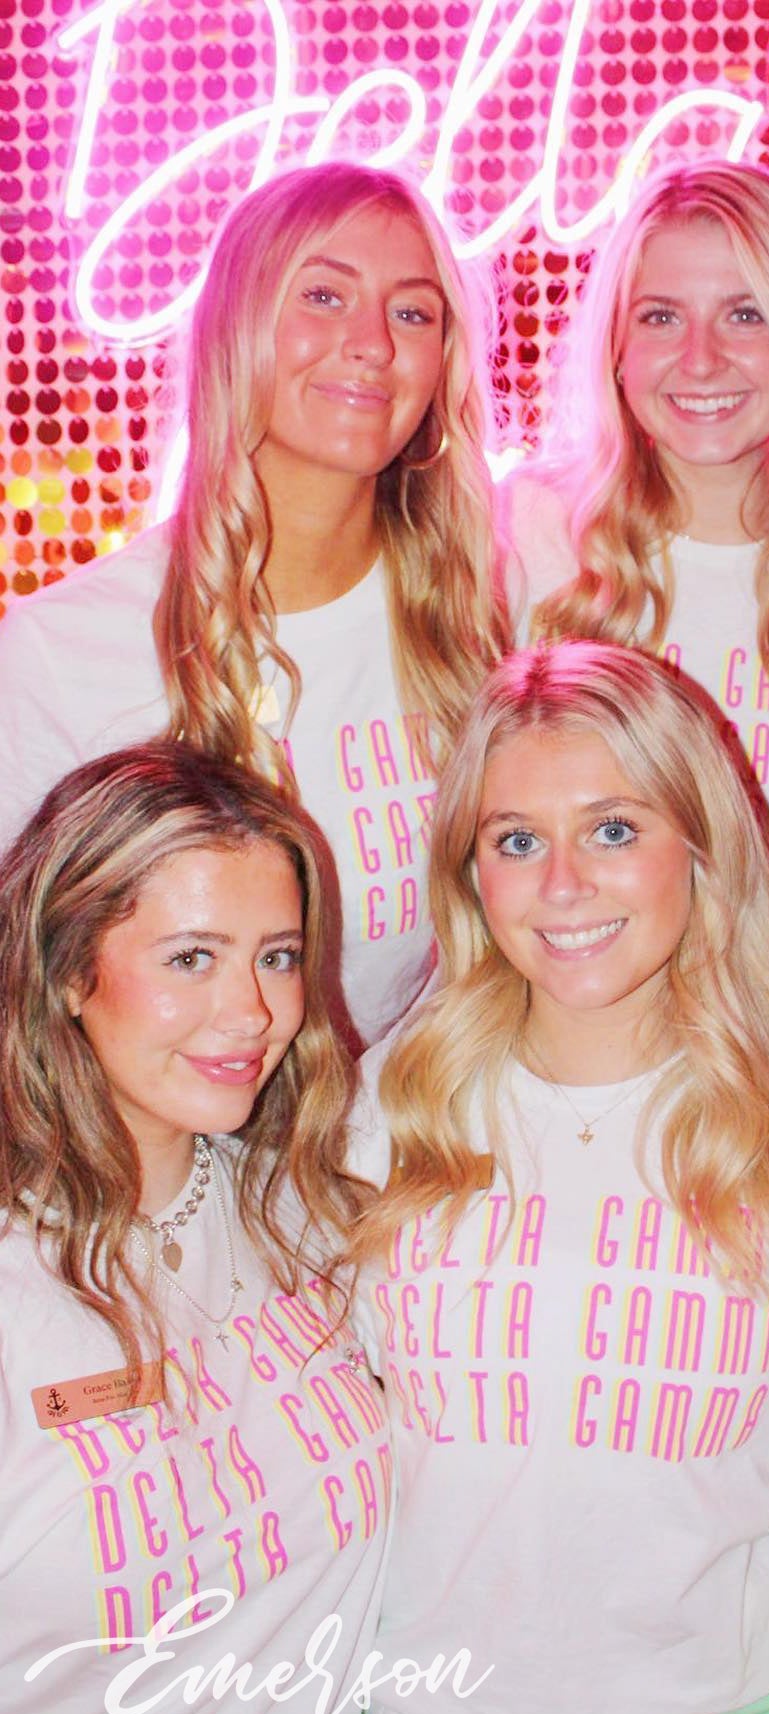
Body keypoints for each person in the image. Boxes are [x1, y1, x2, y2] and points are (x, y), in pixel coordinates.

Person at [346, 640, 769, 1714]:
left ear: (698, 844)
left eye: (610, 828)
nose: (561, 884)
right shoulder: (390, 1105)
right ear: (469, 873)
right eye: (514, 839)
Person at [0, 162, 506, 1049]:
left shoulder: (488, 623)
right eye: (323, 295)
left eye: (413, 313)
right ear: (234, 325)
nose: (372, 344)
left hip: (411, 1130)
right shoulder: (59, 652)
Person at [0, 742, 391, 1714]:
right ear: (68, 968)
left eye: (277, 955)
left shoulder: (311, 1213)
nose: (252, 1011)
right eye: (190, 958)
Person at [503, 161, 769, 1007]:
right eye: (660, 316)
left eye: (745, 314)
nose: (701, 359)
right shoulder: (529, 542)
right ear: (616, 350)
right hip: (576, 1048)